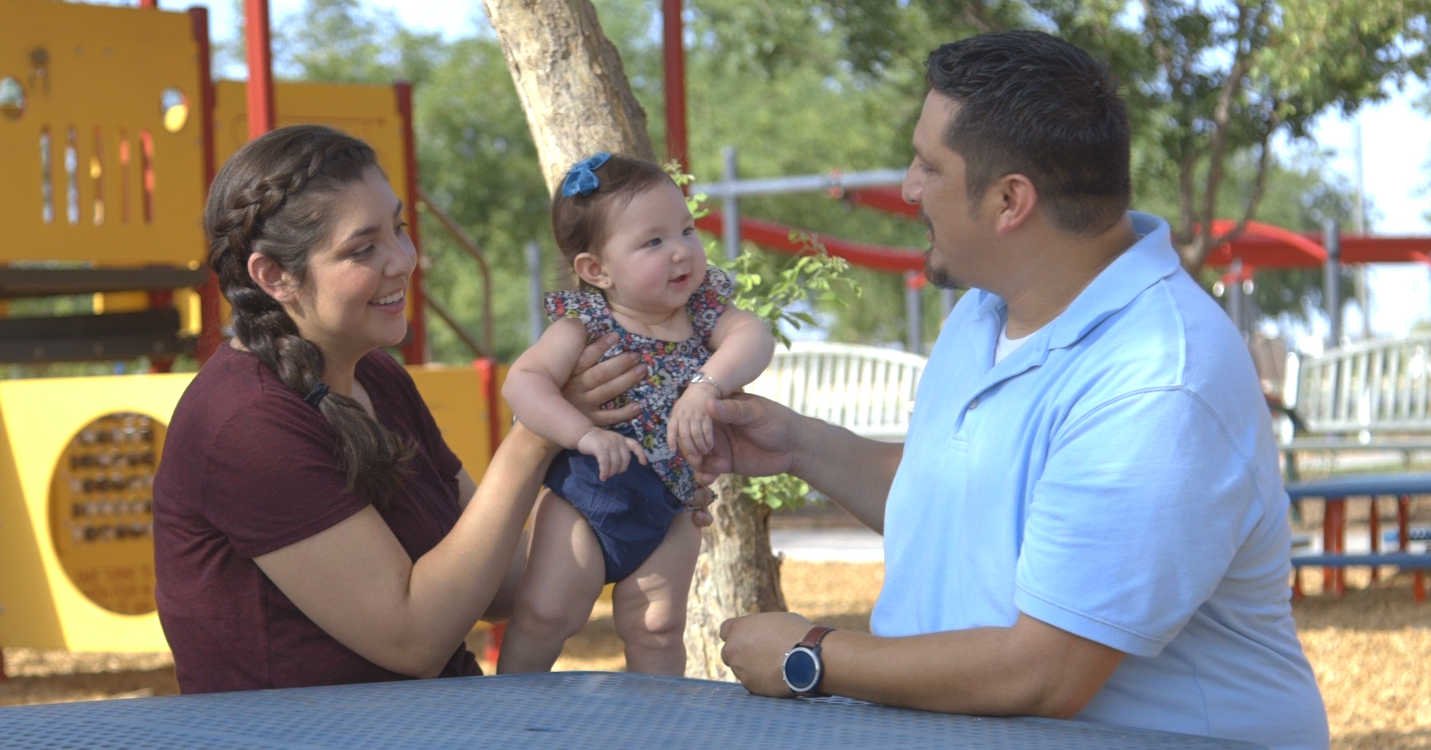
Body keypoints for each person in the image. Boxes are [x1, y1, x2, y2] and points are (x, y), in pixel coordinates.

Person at [711, 31, 1329, 749]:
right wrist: (798, 446)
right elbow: (960, 504)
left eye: (928, 166)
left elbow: (1045, 673)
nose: (908, 188)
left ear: (1009, 201)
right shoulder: (985, 309)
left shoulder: (1157, 380)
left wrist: (810, 656)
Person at [152, 126, 709, 693]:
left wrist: (634, 499)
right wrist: (538, 436)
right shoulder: (246, 425)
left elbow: (498, 584)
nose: (403, 261)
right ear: (275, 276)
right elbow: (414, 642)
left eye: (398, 229)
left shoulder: (375, 375)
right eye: (362, 249)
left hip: (429, 718)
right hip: (317, 731)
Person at [498, 154, 775, 676]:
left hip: (669, 504)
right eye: (653, 242)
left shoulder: (703, 315)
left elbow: (754, 336)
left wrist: (706, 385)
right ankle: (507, 710)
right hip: (586, 495)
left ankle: (659, 717)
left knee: (658, 627)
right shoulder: (586, 324)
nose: (681, 251)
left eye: (687, 230)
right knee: (547, 613)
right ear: (596, 270)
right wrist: (582, 433)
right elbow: (523, 382)